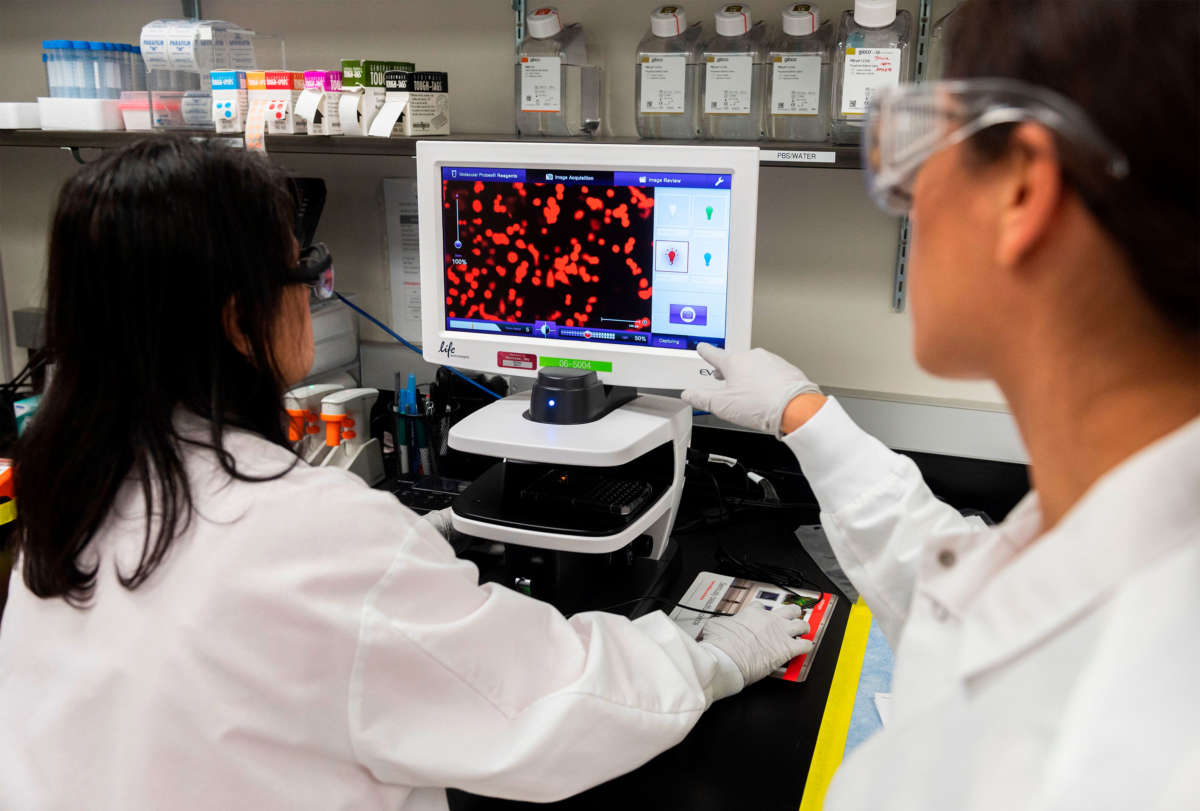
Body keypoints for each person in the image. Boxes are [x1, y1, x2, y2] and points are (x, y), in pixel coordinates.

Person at [0, 138, 811, 810]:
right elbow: (557, 706)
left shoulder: (67, 494)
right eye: (303, 264)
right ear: (238, 319)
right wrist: (716, 655)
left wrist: (403, 553)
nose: (317, 286)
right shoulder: (309, 540)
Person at [683, 1, 1199, 808]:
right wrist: (806, 417)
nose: (910, 191)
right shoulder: (1127, 549)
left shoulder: (1106, 752)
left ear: (1021, 189)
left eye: (929, 140)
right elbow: (980, 609)